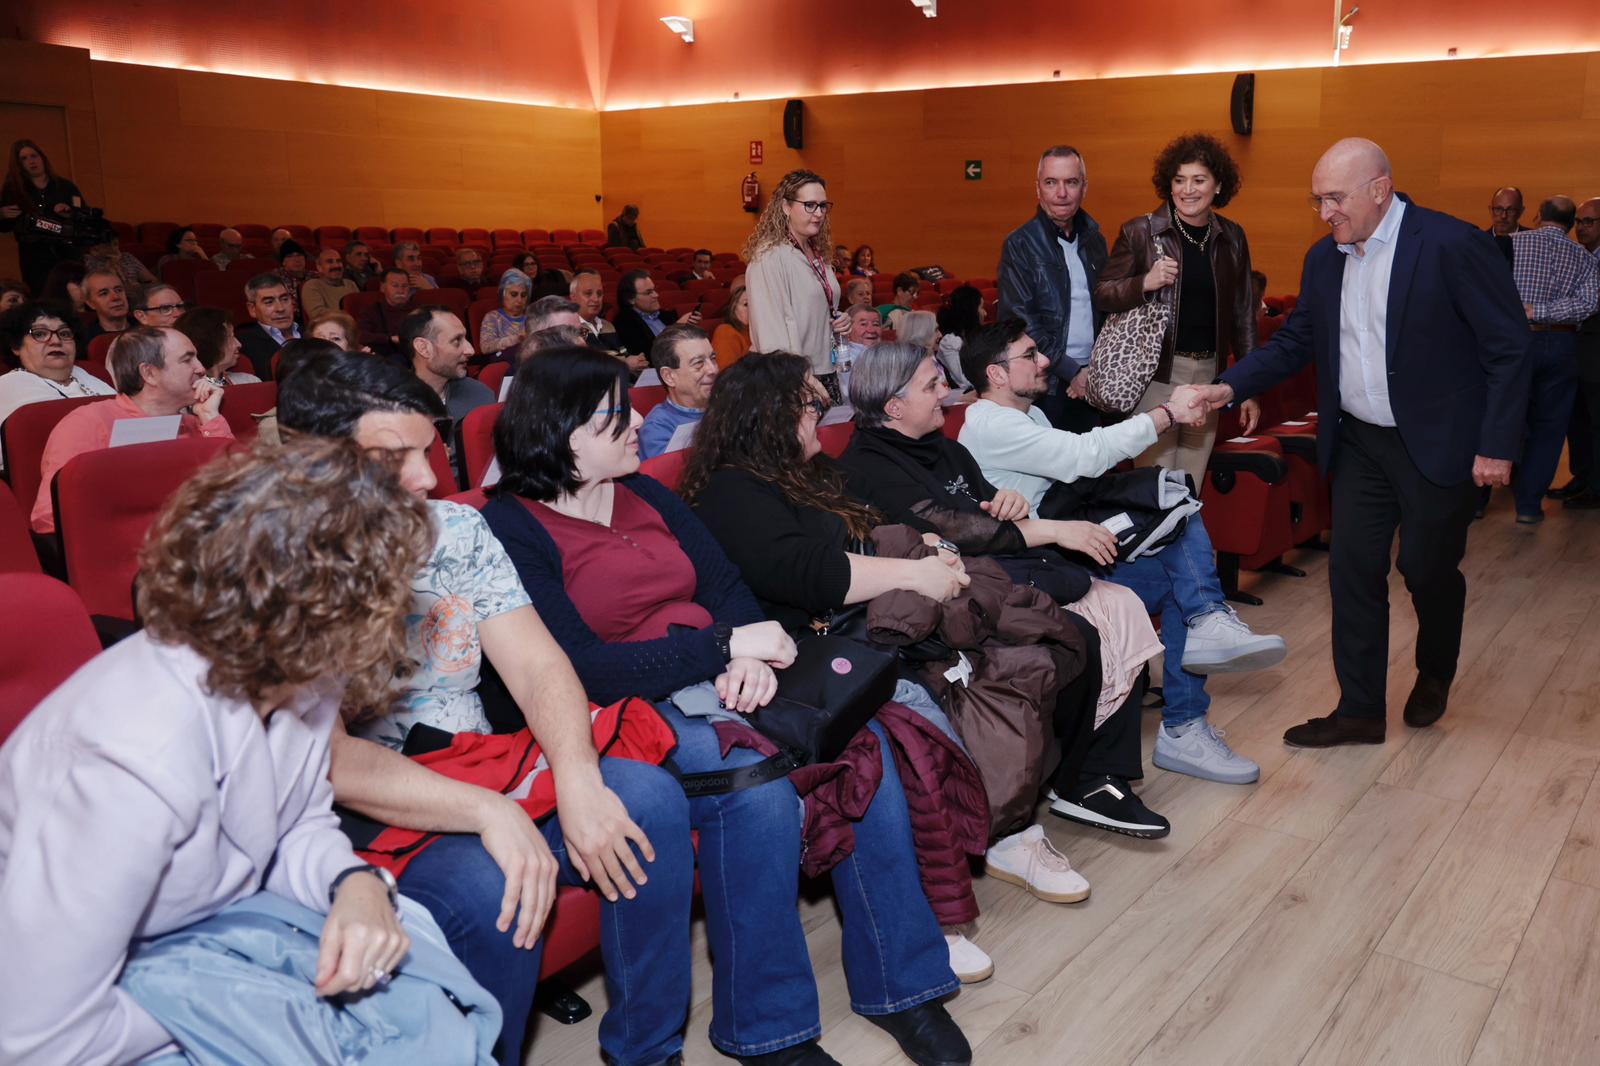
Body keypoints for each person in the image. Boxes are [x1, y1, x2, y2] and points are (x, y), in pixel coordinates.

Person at [481, 346, 971, 1065]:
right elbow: (579, 667)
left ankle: (904, 986)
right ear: (561, 431)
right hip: (625, 704)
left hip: (720, 671)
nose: (637, 423)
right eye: (616, 414)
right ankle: (769, 1030)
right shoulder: (512, 526)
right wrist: (723, 647)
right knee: (755, 793)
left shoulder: (645, 493)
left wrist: (743, 652)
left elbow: (726, 588)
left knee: (859, 744)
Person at [0, 436, 503, 1066]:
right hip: (98, 1007)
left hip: (207, 935)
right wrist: (240, 1003)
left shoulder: (300, 671)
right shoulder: (130, 762)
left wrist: (352, 883)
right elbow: (41, 1037)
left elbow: (296, 822)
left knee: (422, 1001)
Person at [276, 353, 694, 1066]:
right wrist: (490, 813)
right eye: (394, 457)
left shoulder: (455, 529)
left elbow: (538, 665)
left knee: (647, 798)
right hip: (362, 798)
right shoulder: (275, 561)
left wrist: (577, 778)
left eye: (429, 451)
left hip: (474, 757)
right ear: (314, 462)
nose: (427, 478)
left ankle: (649, 1051)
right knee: (483, 887)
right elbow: (333, 760)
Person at [679, 350, 1018, 980]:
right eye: (810, 403)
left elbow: (878, 519)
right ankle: (932, 912)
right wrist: (913, 572)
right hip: (801, 656)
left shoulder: (805, 470)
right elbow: (810, 574)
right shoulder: (733, 489)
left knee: (989, 659)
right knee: (908, 718)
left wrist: (929, 546)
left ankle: (998, 838)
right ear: (769, 416)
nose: (821, 413)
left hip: (852, 634)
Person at [1182, 138, 1529, 747]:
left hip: (1436, 443)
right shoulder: (1325, 259)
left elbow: (1509, 346)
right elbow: (1296, 343)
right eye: (1318, 200)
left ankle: (1436, 669)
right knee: (1352, 573)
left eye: (1336, 198)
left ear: (1380, 189)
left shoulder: (1450, 244)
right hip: (1360, 442)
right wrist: (1228, 387)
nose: (1325, 213)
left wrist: (1497, 444)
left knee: (1425, 568)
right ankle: (1361, 710)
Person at [836, 341, 1170, 836]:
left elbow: (986, 509)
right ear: (894, 407)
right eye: (932, 385)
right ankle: (1083, 777)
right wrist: (1049, 529)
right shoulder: (868, 466)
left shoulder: (944, 447)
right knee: (1077, 628)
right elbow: (952, 530)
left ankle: (1097, 771)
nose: (947, 393)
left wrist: (1007, 502)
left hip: (989, 569)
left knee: (1118, 602)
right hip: (949, 591)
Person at [958, 320, 1287, 784]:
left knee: (1177, 516)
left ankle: (1198, 671)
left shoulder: (1024, 414)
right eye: (1030, 355)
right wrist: (1168, 414)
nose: (1045, 360)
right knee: (1179, 553)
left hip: (1064, 547)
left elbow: (1080, 470)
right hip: (1036, 569)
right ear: (995, 374)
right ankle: (1187, 713)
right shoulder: (993, 424)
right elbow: (1084, 456)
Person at [1094, 132, 1262, 486]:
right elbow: (1103, 293)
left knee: (1189, 484)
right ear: (1168, 184)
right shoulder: (1140, 232)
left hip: (1209, 377)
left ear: (1218, 185)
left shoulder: (1232, 237)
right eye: (1179, 180)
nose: (1188, 190)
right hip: (1156, 374)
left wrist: (1247, 385)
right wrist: (1144, 282)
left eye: (1199, 180)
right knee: (1154, 485)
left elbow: (1243, 315)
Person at [30, 326, 234, 532]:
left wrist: (211, 418)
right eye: (187, 359)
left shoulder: (197, 424)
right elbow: (50, 519)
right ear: (149, 373)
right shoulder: (88, 424)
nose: (201, 368)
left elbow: (240, 492)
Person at [1492, 196, 1599, 523]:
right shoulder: (1585, 257)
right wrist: (1544, 311)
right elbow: (1589, 304)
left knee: (1499, 415)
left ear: (1537, 216)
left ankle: (1478, 500)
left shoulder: (1509, 244)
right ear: (1570, 224)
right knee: (1549, 428)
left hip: (1514, 343)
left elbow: (1487, 292)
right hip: (1563, 345)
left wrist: (1527, 311)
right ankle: (1528, 506)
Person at [997, 145, 1107, 432]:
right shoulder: (1020, 244)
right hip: (1045, 382)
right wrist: (1071, 371)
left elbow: (1107, 310)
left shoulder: (1096, 241)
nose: (1061, 193)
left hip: (1092, 379)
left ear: (1084, 187)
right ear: (1038, 189)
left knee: (1093, 457)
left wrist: (1093, 370)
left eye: (1071, 182)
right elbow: (1020, 321)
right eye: (1050, 182)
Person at [745, 169, 849, 404]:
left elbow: (815, 308)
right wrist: (800, 379)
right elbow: (770, 335)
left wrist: (840, 320)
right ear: (786, 207)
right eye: (809, 205)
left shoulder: (818, 255)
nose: (819, 213)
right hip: (793, 380)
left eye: (823, 206)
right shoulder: (769, 258)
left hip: (826, 370)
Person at [0, 300, 113, 470]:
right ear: (16, 346)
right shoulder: (9, 386)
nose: (56, 341)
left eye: (65, 333)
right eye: (40, 334)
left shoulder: (88, 374)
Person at [0, 139, 84, 294]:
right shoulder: (13, 190)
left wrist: (70, 212)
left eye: (34, 156)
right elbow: (5, 227)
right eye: (24, 159)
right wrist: (2, 215)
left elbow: (84, 215)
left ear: (42, 157)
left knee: (74, 294)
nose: (31, 161)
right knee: (42, 296)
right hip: (34, 255)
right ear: (19, 165)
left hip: (67, 251)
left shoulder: (65, 186)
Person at [1561, 197, 1600, 510]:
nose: (1581, 228)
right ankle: (1582, 477)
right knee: (1578, 421)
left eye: (1589, 222)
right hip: (1576, 354)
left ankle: (1596, 488)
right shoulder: (1578, 256)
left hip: (1595, 355)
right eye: (1578, 221)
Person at [402, 307, 492, 440]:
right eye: (457, 341)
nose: (470, 350)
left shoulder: (478, 393)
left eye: (465, 339)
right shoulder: (390, 409)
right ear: (424, 348)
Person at [637, 324, 717, 459]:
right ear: (669, 376)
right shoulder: (657, 430)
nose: (713, 369)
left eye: (713, 359)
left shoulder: (727, 406)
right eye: (698, 363)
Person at [614, 270, 698, 371]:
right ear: (631, 299)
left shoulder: (666, 315)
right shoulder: (624, 323)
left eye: (654, 290)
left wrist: (688, 328)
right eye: (648, 292)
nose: (656, 295)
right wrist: (676, 328)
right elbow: (648, 356)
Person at [235, 272, 301, 378]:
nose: (280, 308)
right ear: (252, 309)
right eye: (269, 302)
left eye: (285, 299)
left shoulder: (313, 332)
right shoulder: (242, 345)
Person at [176, 304, 262, 386]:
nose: (239, 344)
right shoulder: (190, 391)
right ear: (210, 342)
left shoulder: (250, 382)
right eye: (231, 337)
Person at [358, 267, 416, 360]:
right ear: (383, 287)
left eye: (405, 286)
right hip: (386, 357)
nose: (401, 291)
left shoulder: (417, 309)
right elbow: (361, 335)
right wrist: (389, 338)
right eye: (395, 286)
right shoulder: (371, 311)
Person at [935, 284, 984, 390]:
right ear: (971, 311)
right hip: (967, 393)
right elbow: (964, 380)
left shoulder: (977, 335)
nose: (985, 313)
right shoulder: (950, 342)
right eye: (981, 308)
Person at [479, 268, 531, 357]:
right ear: (502, 294)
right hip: (504, 362)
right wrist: (516, 339)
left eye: (523, 295)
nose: (519, 300)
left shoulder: (532, 316)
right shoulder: (492, 317)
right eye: (514, 294)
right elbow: (485, 347)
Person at [84, 230, 158, 291]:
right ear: (96, 248)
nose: (114, 249)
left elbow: (153, 281)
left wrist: (140, 288)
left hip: (139, 294)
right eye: (108, 245)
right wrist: (113, 266)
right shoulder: (89, 261)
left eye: (116, 244)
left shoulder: (127, 257)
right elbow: (109, 286)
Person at [300, 246, 360, 320]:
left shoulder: (350, 284)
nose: (336, 265)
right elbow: (318, 315)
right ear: (319, 267)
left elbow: (361, 311)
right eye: (330, 262)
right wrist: (349, 315)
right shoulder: (312, 285)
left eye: (338, 261)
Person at [569, 268, 620, 351]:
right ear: (573, 298)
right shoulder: (566, 328)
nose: (596, 299)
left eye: (599, 294)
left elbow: (622, 352)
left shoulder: (608, 326)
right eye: (588, 293)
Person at [79, 268, 129, 343]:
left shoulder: (144, 326)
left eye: (118, 290)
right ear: (90, 303)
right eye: (104, 293)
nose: (116, 297)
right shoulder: (87, 340)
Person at [711, 282, 752, 368]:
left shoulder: (759, 332)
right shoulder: (725, 332)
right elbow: (726, 372)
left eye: (755, 305)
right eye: (746, 304)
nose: (752, 309)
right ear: (733, 309)